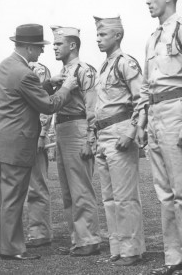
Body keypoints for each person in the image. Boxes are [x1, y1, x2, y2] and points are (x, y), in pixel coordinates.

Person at [0, 23, 77, 260]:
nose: (41, 52)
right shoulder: (25, 73)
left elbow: (23, 93)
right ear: (28, 47)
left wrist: (48, 84)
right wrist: (67, 87)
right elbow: (47, 105)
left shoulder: (6, 65)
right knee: (13, 198)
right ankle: (12, 249)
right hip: (16, 144)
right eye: (38, 48)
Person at [137, 0, 182, 275]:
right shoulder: (152, 38)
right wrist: (140, 120)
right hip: (154, 114)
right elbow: (145, 86)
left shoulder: (179, 30)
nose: (148, 0)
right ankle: (174, 258)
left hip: (176, 111)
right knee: (164, 193)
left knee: (180, 192)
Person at [93, 15, 145, 266]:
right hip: (103, 136)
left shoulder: (126, 62)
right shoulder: (104, 67)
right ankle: (118, 247)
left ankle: (132, 250)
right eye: (98, 35)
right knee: (109, 198)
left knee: (125, 197)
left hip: (120, 132)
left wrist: (131, 132)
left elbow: (141, 99)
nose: (98, 39)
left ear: (118, 36)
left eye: (103, 35)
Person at [48, 25, 101, 256]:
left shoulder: (84, 70)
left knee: (81, 187)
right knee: (68, 190)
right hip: (62, 128)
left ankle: (89, 239)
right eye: (54, 43)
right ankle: (77, 239)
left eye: (59, 43)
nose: (54, 47)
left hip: (78, 127)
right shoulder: (59, 73)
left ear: (72, 45)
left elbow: (93, 107)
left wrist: (90, 137)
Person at [26, 62, 53, 248]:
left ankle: (40, 233)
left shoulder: (38, 69)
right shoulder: (17, 66)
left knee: (36, 185)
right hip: (19, 133)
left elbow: (45, 103)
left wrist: (42, 133)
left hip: (34, 133)